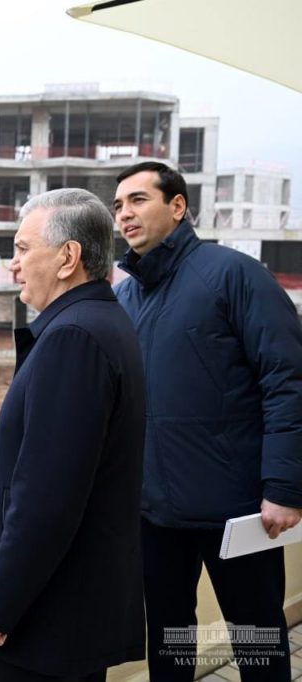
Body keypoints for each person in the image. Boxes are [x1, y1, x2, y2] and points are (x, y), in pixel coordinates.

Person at [113, 161, 302, 681]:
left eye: (138, 200)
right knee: (170, 637)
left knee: (256, 637)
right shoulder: (126, 296)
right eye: (119, 206)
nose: (125, 214)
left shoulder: (234, 274)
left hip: (235, 509)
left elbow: (287, 381)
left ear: (178, 206)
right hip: (155, 513)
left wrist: (285, 488)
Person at [0, 188, 146, 681]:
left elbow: (48, 496)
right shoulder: (102, 321)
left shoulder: (73, 338)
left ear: (68, 257)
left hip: (45, 620)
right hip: (70, 611)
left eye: (23, 249)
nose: (13, 264)